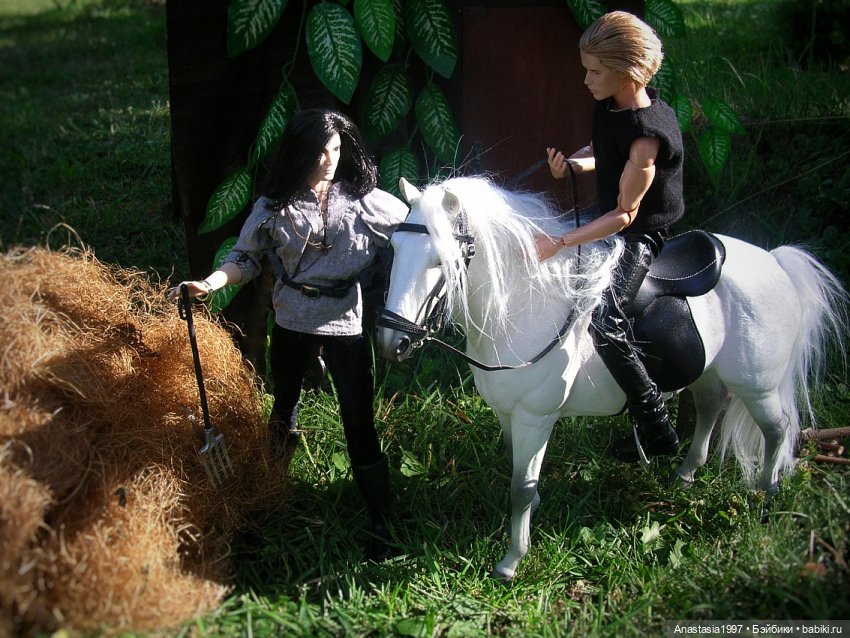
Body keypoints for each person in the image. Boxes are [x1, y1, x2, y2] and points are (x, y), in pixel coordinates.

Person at [169, 108, 408, 558]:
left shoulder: (367, 202)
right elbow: (246, 257)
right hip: (292, 319)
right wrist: (211, 283)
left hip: (345, 323)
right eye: (318, 151)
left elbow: (415, 234)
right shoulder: (274, 207)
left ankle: (381, 520)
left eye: (336, 148)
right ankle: (269, 495)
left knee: (359, 420)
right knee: (283, 406)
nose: (328, 159)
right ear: (299, 153)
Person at [535, 11, 683, 463]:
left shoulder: (646, 134)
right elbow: (604, 149)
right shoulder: (613, 109)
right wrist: (575, 165)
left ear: (627, 71)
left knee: (606, 321)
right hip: (613, 220)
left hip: (640, 234)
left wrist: (561, 241)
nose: (586, 80)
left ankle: (656, 423)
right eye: (586, 68)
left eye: (595, 71)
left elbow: (625, 214)